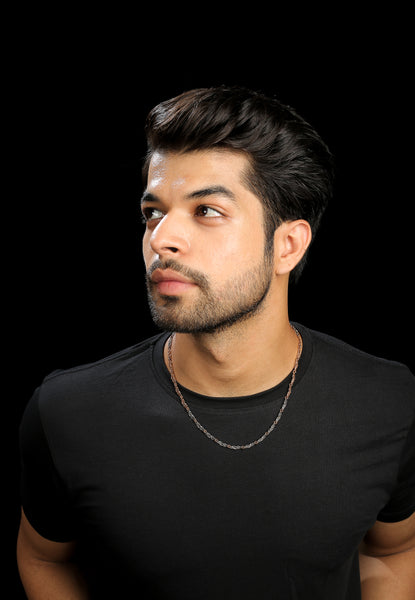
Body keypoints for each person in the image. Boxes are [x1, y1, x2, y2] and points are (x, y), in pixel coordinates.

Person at [17, 86, 415, 599]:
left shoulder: (388, 401)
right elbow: (43, 556)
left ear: (287, 246)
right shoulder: (67, 411)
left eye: (206, 210)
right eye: (153, 212)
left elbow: (393, 550)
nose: (161, 239)